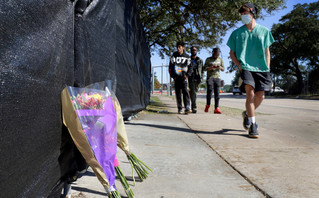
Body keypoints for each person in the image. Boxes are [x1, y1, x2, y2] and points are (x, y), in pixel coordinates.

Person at [227, 3, 274, 138]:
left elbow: (267, 51)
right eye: (241, 14)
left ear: (253, 13)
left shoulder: (264, 31)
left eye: (245, 13)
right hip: (246, 67)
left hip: (262, 68)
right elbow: (232, 53)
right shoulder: (237, 33)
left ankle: (247, 114)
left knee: (261, 96)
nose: (243, 16)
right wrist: (240, 66)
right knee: (250, 95)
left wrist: (268, 67)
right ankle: (253, 125)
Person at [169, 41, 193, 114]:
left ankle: (187, 107)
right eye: (177, 47)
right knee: (178, 94)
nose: (178, 48)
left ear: (183, 47)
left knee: (186, 92)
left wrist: (187, 75)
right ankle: (180, 109)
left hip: (184, 78)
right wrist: (173, 76)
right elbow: (170, 67)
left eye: (179, 47)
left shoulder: (187, 57)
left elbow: (190, 67)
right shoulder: (174, 56)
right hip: (177, 78)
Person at [203, 47, 224, 114]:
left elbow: (223, 68)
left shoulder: (220, 60)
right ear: (213, 53)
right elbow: (204, 68)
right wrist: (210, 67)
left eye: (218, 54)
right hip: (210, 77)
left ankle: (216, 108)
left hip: (217, 78)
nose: (216, 56)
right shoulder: (208, 59)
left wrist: (219, 67)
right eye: (215, 54)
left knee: (217, 93)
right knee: (209, 91)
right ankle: (208, 105)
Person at [188, 46, 204, 113]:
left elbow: (202, 70)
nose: (193, 51)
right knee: (193, 92)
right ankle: (194, 107)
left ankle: (191, 105)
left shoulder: (200, 60)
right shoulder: (188, 59)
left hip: (198, 78)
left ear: (196, 51)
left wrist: (202, 77)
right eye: (192, 50)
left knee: (194, 93)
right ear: (191, 51)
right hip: (190, 77)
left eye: (195, 50)